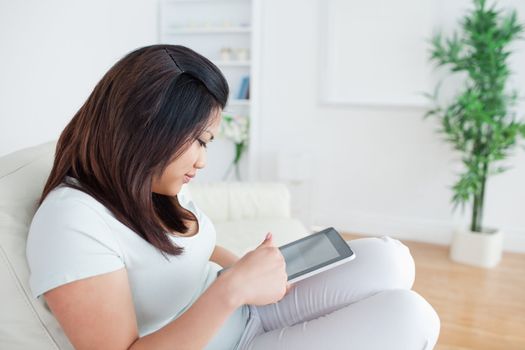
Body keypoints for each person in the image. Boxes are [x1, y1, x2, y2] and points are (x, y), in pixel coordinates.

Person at [26, 44, 440, 350]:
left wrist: (245, 270)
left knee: (392, 257)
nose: (203, 162)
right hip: (225, 340)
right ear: (148, 128)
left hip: (244, 308)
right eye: (201, 141)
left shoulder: (150, 183)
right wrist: (232, 291)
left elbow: (194, 249)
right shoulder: (71, 223)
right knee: (411, 318)